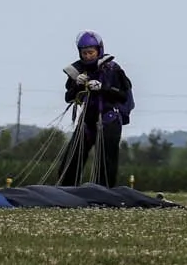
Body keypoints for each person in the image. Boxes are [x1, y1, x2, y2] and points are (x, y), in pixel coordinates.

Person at [54, 32, 134, 187]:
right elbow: (69, 98)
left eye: (91, 52)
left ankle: (104, 193)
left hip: (109, 119)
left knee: (105, 161)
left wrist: (103, 88)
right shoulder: (78, 71)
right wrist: (77, 85)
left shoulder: (112, 69)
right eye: (84, 53)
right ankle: (66, 191)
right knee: (72, 157)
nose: (88, 56)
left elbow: (123, 95)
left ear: (99, 50)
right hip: (87, 122)